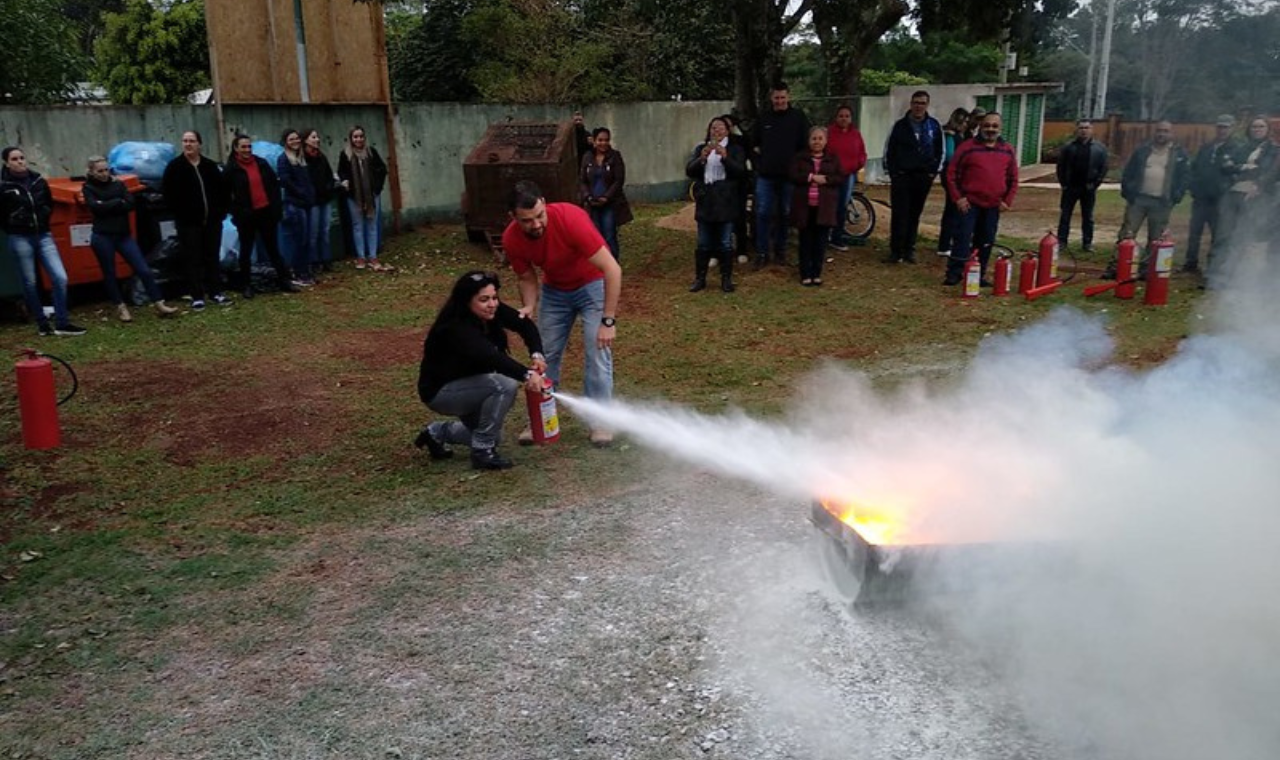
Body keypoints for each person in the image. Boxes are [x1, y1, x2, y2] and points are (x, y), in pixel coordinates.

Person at [502, 180, 622, 448]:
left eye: (539, 215)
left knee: (597, 351)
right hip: (555, 290)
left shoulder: (570, 219)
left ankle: (600, 421)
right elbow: (526, 277)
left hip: (592, 284)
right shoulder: (511, 238)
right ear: (513, 217)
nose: (536, 224)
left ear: (544, 204)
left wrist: (608, 320)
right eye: (527, 220)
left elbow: (612, 269)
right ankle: (540, 419)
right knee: (544, 355)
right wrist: (529, 305)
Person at [415, 270, 547, 471]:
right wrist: (527, 374)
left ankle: (436, 433)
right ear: (466, 301)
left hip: (472, 385)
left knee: (494, 436)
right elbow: (490, 356)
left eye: (494, 297)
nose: (492, 304)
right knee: (504, 385)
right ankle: (482, 453)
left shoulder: (491, 310)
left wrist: (537, 355)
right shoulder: (456, 327)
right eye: (484, 300)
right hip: (441, 392)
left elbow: (524, 325)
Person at [80, 156, 179, 320]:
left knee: (143, 269)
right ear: (91, 172)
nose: (104, 174)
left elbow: (130, 203)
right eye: (100, 171)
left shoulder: (118, 184)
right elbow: (95, 207)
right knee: (110, 273)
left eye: (106, 170)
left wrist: (107, 203)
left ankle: (159, 303)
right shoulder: (88, 187)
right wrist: (116, 202)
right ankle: (120, 307)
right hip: (103, 236)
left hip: (123, 235)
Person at [1, 146, 86, 335]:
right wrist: (14, 226)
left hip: (43, 235)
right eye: (14, 159)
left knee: (60, 277)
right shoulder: (4, 186)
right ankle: (42, 324)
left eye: (21, 157)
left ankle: (62, 323)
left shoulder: (37, 180)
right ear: (6, 163)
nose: (20, 162)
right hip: (20, 237)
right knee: (30, 282)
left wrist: (44, 218)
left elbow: (48, 203)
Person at [944, 112, 1018, 286]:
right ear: (980, 126)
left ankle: (979, 274)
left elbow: (1013, 178)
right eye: (987, 125)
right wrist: (958, 198)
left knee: (985, 241)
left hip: (993, 205)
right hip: (969, 203)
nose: (990, 129)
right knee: (962, 238)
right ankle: (954, 273)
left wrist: (1007, 201)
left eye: (994, 126)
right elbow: (951, 174)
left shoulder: (1007, 150)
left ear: (1000, 128)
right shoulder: (967, 147)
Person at [222, 134, 300, 298]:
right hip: (246, 217)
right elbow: (224, 195)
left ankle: (284, 280)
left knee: (273, 249)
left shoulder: (261, 163)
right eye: (243, 147)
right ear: (236, 149)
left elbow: (274, 186)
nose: (247, 150)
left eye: (249, 146)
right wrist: (237, 212)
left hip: (266, 213)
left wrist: (275, 209)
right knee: (246, 251)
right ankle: (246, 285)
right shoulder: (231, 169)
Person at [162, 130, 232, 310]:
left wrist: (221, 212)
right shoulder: (175, 167)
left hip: (212, 221)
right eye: (185, 141)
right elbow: (168, 194)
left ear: (199, 144)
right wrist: (180, 214)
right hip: (188, 224)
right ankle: (197, 296)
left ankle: (215, 292)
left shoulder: (210, 166)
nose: (188, 144)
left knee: (212, 256)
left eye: (192, 141)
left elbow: (223, 191)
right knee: (192, 258)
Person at [751, 81, 810, 268]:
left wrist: (798, 167)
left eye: (782, 97)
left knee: (785, 214)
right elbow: (753, 144)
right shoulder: (763, 118)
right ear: (771, 98)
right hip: (766, 176)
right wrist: (759, 164)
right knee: (763, 213)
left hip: (789, 177)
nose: (779, 101)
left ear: (788, 97)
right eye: (776, 98)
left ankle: (780, 251)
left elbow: (805, 146)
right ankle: (762, 253)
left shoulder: (798, 117)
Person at [686, 116, 746, 293]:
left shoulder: (735, 149)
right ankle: (700, 278)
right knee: (703, 242)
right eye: (713, 128)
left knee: (725, 241)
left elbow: (740, 172)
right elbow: (690, 170)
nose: (716, 131)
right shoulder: (701, 148)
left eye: (720, 128)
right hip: (706, 200)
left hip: (725, 200)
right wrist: (701, 159)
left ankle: (726, 279)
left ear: (727, 131)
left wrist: (725, 157)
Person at [1214, 117, 1278, 281]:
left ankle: (1242, 276)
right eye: (1254, 126)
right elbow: (1225, 167)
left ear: (1267, 129)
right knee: (1224, 234)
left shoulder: (1273, 150)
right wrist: (1245, 167)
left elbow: (1268, 171)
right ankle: (1218, 274)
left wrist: (1254, 179)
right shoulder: (1241, 147)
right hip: (1233, 193)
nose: (1257, 129)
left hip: (1256, 197)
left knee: (1247, 236)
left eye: (1261, 126)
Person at [883, 90, 943, 264]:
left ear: (927, 105)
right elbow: (889, 149)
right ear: (911, 104)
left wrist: (932, 172)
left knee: (914, 214)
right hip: (902, 176)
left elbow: (940, 150)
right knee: (899, 214)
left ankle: (909, 249)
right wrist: (893, 173)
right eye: (916, 102)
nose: (919, 106)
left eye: (922, 103)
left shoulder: (933, 126)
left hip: (923, 177)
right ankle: (896, 251)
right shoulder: (899, 126)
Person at [1118, 121, 1190, 258]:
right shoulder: (1142, 150)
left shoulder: (1179, 154)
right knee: (1127, 233)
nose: (1161, 134)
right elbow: (1129, 171)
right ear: (1154, 132)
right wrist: (1127, 190)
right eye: (1159, 131)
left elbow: (1185, 177)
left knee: (1156, 238)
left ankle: (1148, 267)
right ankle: (1118, 265)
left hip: (1161, 202)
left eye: (1165, 131)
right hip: (1138, 200)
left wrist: (1177, 196)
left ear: (1171, 134)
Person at [789, 127, 845, 287]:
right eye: (814, 138)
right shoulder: (800, 158)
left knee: (820, 242)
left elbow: (840, 177)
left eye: (820, 138)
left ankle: (816, 273)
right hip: (805, 207)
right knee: (805, 241)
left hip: (824, 208)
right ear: (808, 141)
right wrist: (810, 177)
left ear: (825, 141)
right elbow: (793, 175)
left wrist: (826, 179)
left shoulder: (833, 158)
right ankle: (805, 274)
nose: (817, 142)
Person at [1182, 115, 1237, 274]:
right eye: (1220, 127)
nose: (1222, 130)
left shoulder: (1236, 149)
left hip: (1221, 199)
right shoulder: (1206, 147)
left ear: (1232, 128)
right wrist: (1193, 187)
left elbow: (1236, 172)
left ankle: (1212, 266)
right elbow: (1195, 168)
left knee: (1217, 234)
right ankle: (1190, 263)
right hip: (1201, 198)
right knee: (1194, 233)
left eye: (1226, 127)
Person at [337, 125, 391, 271]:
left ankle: (373, 256)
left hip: (372, 196)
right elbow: (341, 172)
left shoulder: (371, 152)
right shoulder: (345, 154)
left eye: (361, 136)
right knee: (358, 226)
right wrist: (345, 182)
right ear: (351, 138)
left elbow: (382, 169)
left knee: (372, 225)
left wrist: (377, 188)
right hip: (353, 197)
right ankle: (361, 256)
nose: (358, 139)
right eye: (355, 137)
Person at [579, 127, 633, 261]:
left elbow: (618, 180)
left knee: (609, 235)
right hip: (592, 204)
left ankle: (613, 265)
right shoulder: (587, 157)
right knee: (596, 237)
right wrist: (587, 196)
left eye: (606, 140)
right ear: (594, 141)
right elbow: (582, 180)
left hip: (609, 204)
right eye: (600, 140)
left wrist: (606, 197)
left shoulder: (615, 156)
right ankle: (600, 266)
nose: (603, 143)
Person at [1055, 119, 1109, 253]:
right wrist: (1064, 184)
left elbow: (1103, 168)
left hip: (1088, 188)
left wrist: (1095, 184)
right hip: (1071, 188)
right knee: (1065, 216)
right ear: (1077, 130)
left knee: (1088, 217)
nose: (1084, 131)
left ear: (1092, 130)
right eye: (1081, 128)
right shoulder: (1068, 147)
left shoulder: (1100, 149)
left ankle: (1087, 243)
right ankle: (1062, 242)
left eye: (1087, 128)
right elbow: (1060, 167)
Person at [277, 128, 316, 287]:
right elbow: (286, 181)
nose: (295, 141)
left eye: (297, 138)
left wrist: (310, 194)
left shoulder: (301, 158)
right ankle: (297, 273)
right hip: (294, 205)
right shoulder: (283, 159)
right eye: (291, 139)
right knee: (299, 240)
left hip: (306, 204)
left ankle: (304, 271)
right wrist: (302, 193)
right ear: (285, 142)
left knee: (306, 239)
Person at [825, 104, 867, 252]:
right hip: (831, 175)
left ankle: (837, 238)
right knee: (828, 206)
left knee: (842, 206)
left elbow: (862, 152)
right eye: (841, 116)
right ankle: (824, 236)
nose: (844, 119)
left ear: (851, 118)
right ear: (836, 117)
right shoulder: (829, 133)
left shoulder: (856, 134)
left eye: (847, 116)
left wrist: (858, 164)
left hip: (848, 175)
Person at [935, 107, 972, 258]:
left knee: (955, 211)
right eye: (964, 122)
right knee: (951, 210)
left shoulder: (962, 136)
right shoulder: (951, 136)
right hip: (951, 177)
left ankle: (951, 241)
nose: (966, 125)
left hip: (958, 176)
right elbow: (950, 157)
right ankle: (944, 244)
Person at [302, 128, 339, 276]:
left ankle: (326, 259)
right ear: (305, 140)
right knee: (313, 233)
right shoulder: (302, 159)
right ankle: (313, 261)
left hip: (325, 199)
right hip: (313, 202)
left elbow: (329, 176)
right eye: (313, 137)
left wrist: (329, 188)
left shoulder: (321, 157)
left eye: (317, 137)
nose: (317, 139)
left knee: (325, 231)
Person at [720, 113, 753, 265]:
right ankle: (719, 250)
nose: (725, 128)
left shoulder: (740, 141)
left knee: (740, 217)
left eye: (728, 125)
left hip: (738, 184)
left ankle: (742, 249)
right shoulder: (712, 143)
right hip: (720, 187)